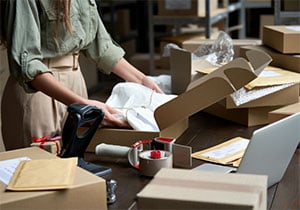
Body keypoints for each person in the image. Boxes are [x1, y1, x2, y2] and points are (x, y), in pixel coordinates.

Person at [0, 0, 163, 150]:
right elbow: (27, 64)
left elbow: (101, 45)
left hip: (75, 81)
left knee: (77, 168)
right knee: (40, 171)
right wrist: (83, 105)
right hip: (39, 91)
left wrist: (142, 80)